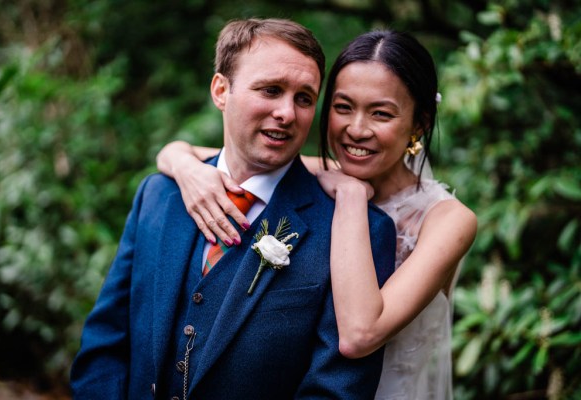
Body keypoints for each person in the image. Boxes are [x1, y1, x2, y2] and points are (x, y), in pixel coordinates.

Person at [70, 18, 397, 400]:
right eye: (271, 90)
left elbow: (336, 389)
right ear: (221, 90)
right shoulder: (158, 195)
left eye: (304, 98)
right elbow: (104, 345)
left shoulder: (357, 229)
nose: (287, 113)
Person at [156, 29, 477, 399]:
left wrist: (352, 198)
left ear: (418, 123)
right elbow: (189, 152)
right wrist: (183, 167)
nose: (356, 130)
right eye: (343, 107)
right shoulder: (319, 170)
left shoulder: (448, 220)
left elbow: (360, 335)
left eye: (381, 113)